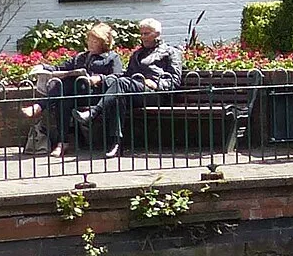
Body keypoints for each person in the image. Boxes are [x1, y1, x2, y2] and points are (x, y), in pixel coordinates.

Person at [74, 18, 180, 158]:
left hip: (156, 94)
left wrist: (156, 84)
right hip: (136, 91)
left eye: (146, 33)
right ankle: (116, 143)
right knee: (118, 94)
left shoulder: (170, 52)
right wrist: (105, 79)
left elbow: (175, 79)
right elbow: (128, 75)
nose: (143, 37)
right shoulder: (137, 54)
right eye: (141, 34)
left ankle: (93, 113)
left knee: (121, 85)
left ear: (157, 33)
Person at [20, 24, 123, 156]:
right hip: (77, 94)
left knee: (67, 84)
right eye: (89, 40)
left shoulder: (112, 58)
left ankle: (40, 105)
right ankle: (62, 143)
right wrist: (42, 67)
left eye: (95, 41)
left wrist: (99, 78)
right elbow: (60, 68)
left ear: (104, 42)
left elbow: (117, 78)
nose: (90, 44)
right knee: (64, 100)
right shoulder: (82, 57)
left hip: (98, 96)